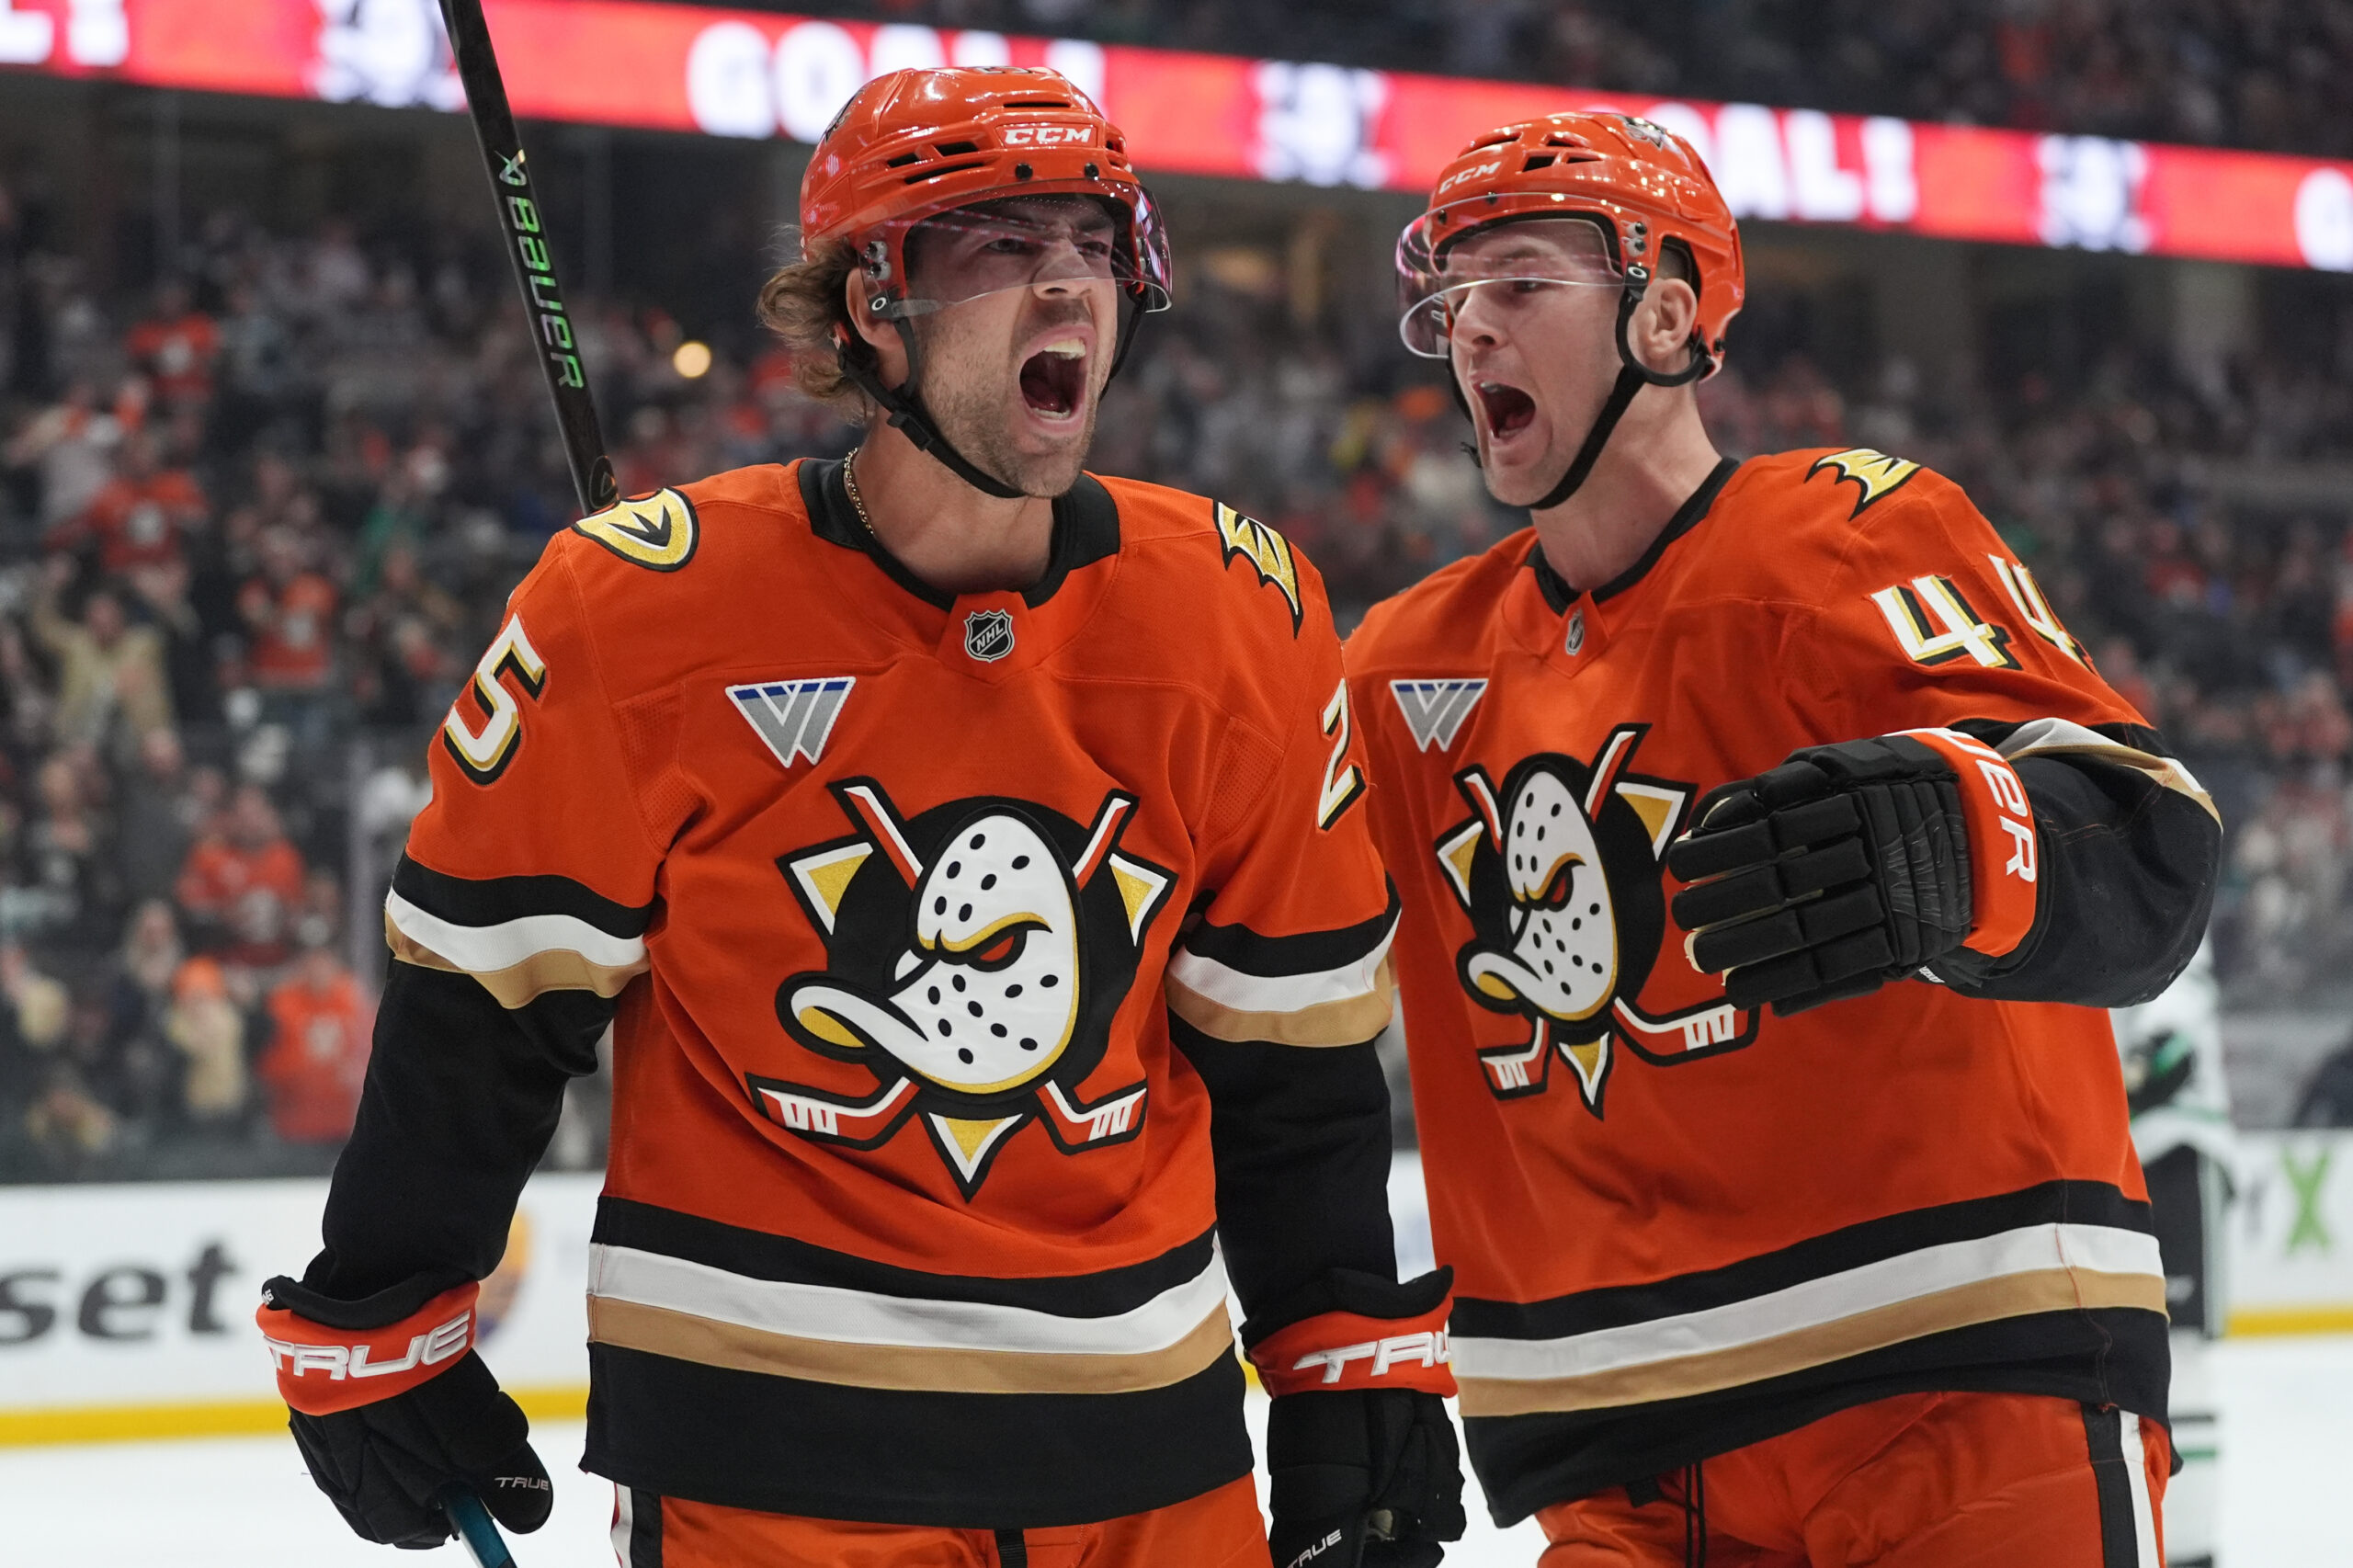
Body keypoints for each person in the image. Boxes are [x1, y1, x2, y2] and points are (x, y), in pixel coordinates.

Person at [257, 67, 1462, 1568]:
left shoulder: (1238, 608)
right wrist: (384, 1307)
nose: (1067, 285)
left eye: (1092, 244)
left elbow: (1291, 1056)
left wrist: (1349, 1370)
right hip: (775, 1485)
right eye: (1003, 245)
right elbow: (485, 1009)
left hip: (1151, 1472)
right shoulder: (637, 607)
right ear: (868, 310)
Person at [1343, 113, 2221, 1565]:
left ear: (1666, 312)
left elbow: (2151, 853)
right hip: (1618, 1451)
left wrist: (1966, 838)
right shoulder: (1398, 672)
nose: (1469, 326)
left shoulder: (1854, 539)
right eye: (1453, 295)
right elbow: (1268, 1006)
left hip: (1953, 1382)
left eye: (1519, 280)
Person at [2110, 942, 2233, 1568]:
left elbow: (2173, 1034)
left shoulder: (2153, 893)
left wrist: (2125, 1074)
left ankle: (2189, 1547)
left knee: (2179, 1353)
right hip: (2114, 1156)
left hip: (2176, 1153)